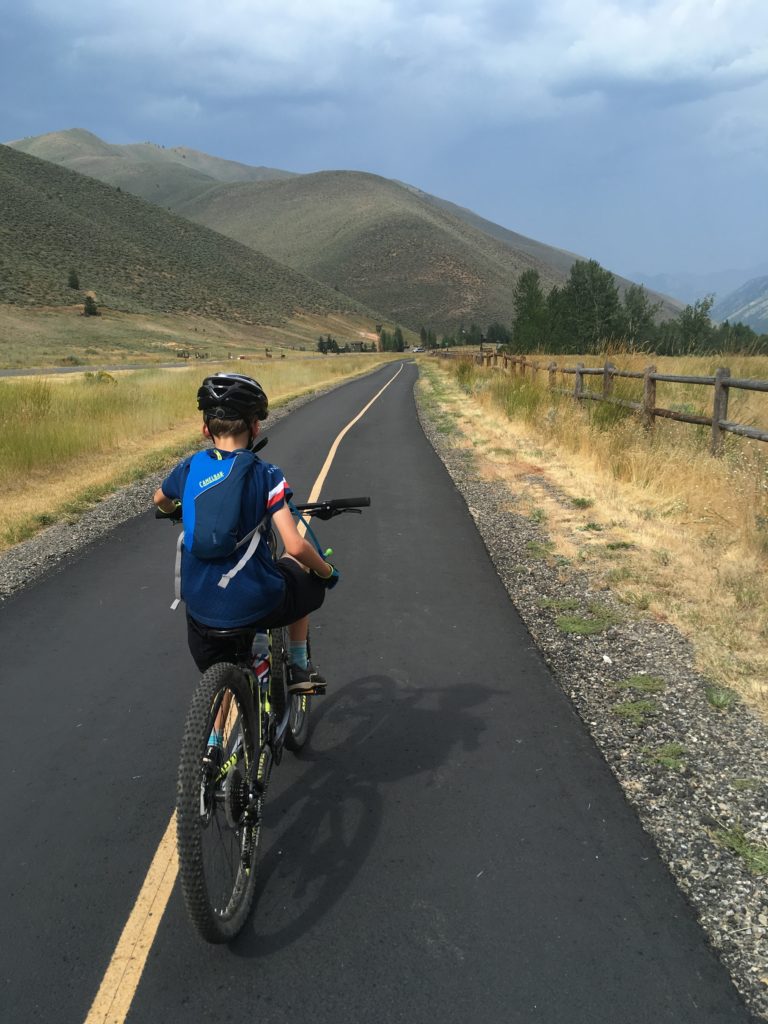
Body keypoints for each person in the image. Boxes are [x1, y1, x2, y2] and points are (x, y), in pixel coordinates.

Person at [153, 372, 338, 694]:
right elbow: (294, 546)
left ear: (205, 429)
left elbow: (159, 500)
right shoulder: (267, 475)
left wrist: (172, 511)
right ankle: (297, 666)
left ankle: (213, 740)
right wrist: (328, 572)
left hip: (200, 612)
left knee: (223, 693)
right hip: (256, 604)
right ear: (255, 428)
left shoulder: (188, 468)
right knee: (305, 570)